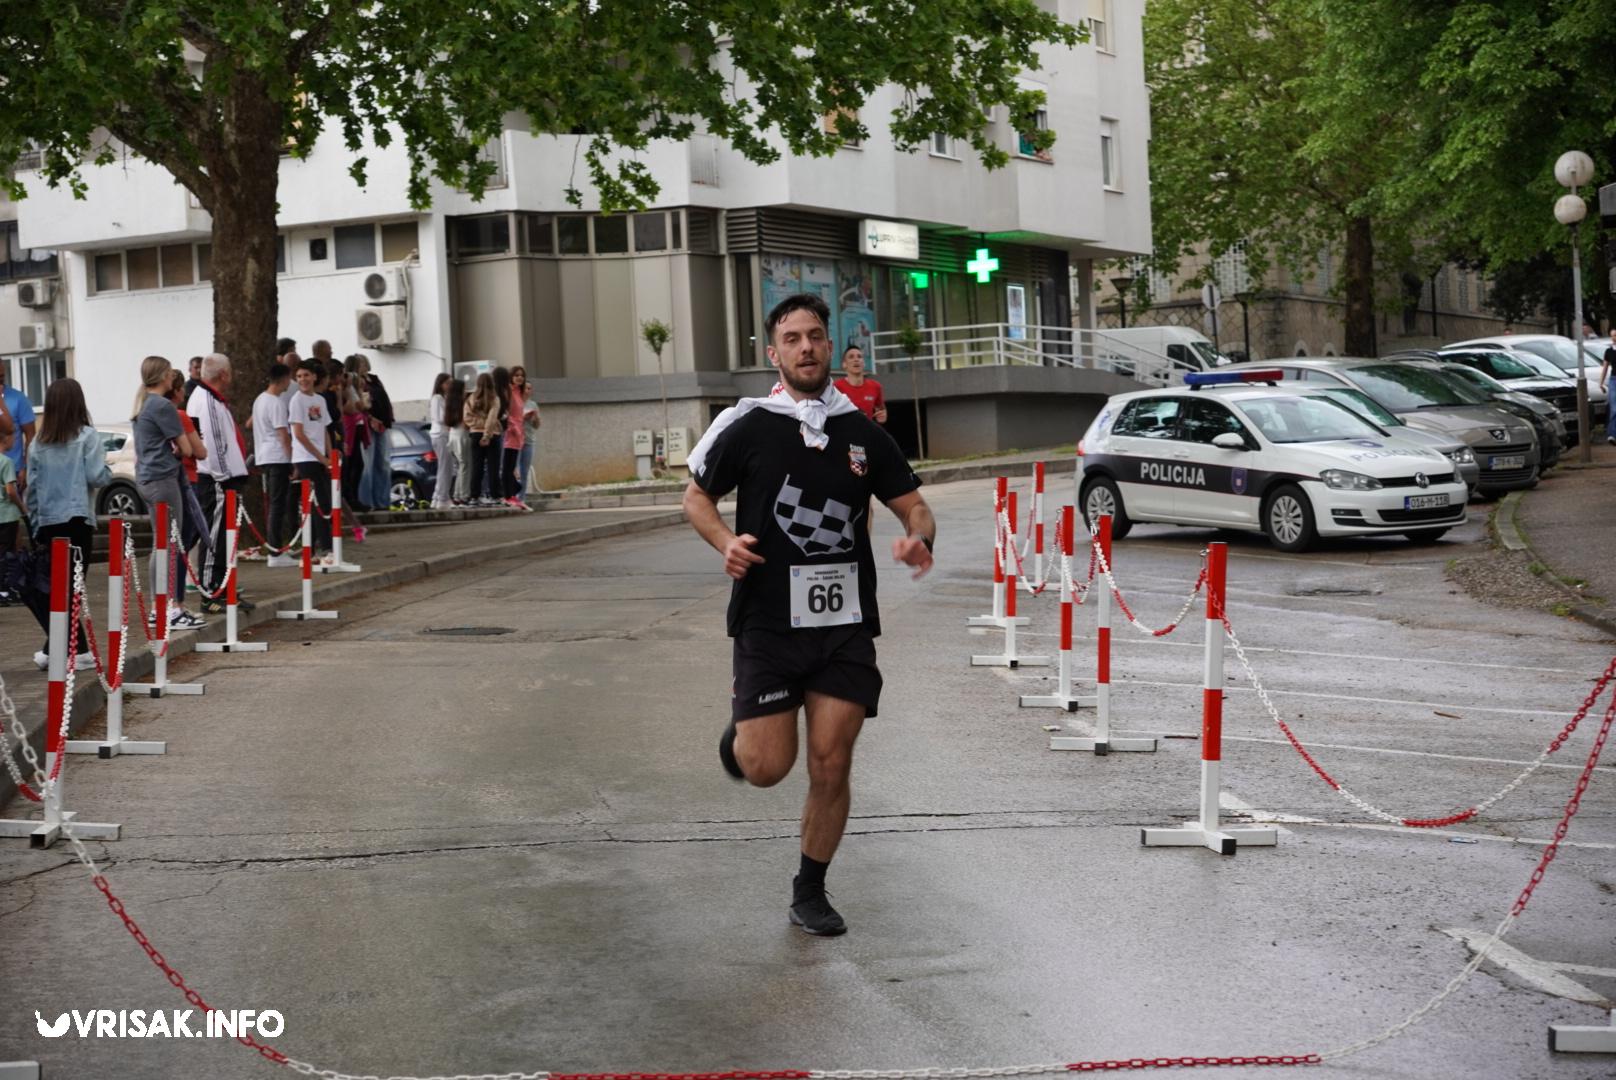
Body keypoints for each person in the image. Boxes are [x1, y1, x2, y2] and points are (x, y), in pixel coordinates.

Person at [682, 293, 935, 937]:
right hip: (768, 622)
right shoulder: (749, 424)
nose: (805, 347)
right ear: (774, 353)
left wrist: (918, 538)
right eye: (791, 338)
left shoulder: (862, 432)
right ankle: (745, 740)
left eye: (815, 336)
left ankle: (810, 889)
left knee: (832, 760)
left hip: (843, 625)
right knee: (769, 767)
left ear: (830, 346)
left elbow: (915, 506)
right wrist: (725, 542)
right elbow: (696, 496)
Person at [22, 378, 111, 671]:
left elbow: (32, 490)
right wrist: (107, 468)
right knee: (72, 587)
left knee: (57, 587)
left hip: (48, 522)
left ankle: (56, 650)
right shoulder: (87, 437)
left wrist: (35, 525)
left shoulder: (38, 443)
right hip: (76, 520)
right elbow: (98, 477)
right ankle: (75, 650)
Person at [187, 353, 253, 613]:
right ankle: (211, 592)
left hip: (219, 478)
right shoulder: (208, 401)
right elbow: (213, 444)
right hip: (216, 479)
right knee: (214, 537)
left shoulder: (210, 399)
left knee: (224, 537)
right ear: (224, 374)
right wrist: (224, 477)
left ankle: (222, 586)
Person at [162, 367, 212, 630]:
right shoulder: (180, 415)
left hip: (166, 481)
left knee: (173, 544)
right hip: (188, 481)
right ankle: (176, 604)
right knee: (182, 545)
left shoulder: (154, 413)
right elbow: (200, 451)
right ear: (178, 391)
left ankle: (170, 603)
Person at [288, 360, 334, 562]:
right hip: (306, 457)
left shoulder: (320, 400)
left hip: (320, 458)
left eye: (306, 375)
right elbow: (298, 434)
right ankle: (324, 547)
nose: (303, 380)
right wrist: (320, 457)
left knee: (321, 501)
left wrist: (330, 456)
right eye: (299, 376)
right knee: (319, 502)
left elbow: (323, 429)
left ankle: (315, 546)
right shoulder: (296, 401)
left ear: (314, 377)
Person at [253, 362, 297, 566]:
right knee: (278, 505)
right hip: (277, 457)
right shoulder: (276, 403)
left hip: (264, 455)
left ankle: (275, 549)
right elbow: (283, 435)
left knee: (275, 503)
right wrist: (292, 460)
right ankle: (275, 552)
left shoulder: (259, 400)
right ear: (284, 379)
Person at [0, 363, 36, 534]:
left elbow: (30, 436)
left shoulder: (18, 398)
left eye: (2, 377)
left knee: (12, 524)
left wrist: (25, 467)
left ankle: (11, 558)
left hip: (12, 472)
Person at [357, 356, 396, 510]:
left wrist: (389, 417)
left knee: (384, 463)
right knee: (369, 463)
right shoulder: (357, 381)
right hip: (369, 424)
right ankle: (368, 502)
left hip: (383, 423)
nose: (363, 365)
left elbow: (384, 398)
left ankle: (383, 501)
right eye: (359, 363)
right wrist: (371, 418)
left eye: (363, 362)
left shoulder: (374, 379)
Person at [464, 372, 502, 505]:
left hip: (475, 435)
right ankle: (495, 496)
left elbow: (467, 418)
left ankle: (474, 496)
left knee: (477, 466)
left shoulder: (471, 398)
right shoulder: (495, 398)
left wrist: (478, 426)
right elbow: (492, 419)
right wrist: (487, 434)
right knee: (493, 467)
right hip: (493, 435)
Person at [500, 366, 532, 509]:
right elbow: (507, 413)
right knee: (508, 467)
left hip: (518, 433)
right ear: (511, 376)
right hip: (510, 433)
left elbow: (518, 415)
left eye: (522, 375)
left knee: (511, 465)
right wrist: (514, 428)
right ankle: (508, 496)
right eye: (516, 375)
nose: (519, 377)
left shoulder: (519, 392)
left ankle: (512, 494)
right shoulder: (509, 391)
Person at [832, 345, 887, 425]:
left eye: (859, 357)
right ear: (844, 364)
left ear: (864, 363)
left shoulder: (875, 386)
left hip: (867, 434)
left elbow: (882, 411)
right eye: (851, 357)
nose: (856, 359)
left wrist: (883, 416)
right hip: (845, 434)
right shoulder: (836, 387)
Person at [0, 415, 22, 605]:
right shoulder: (6, 462)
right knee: (8, 552)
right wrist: (23, 508)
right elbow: (10, 491)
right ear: (5, 439)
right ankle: (6, 589)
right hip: (7, 514)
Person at [427, 373, 454, 509]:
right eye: (447, 383)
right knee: (445, 467)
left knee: (446, 467)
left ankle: (439, 497)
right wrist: (452, 419)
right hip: (440, 434)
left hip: (443, 434)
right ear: (440, 384)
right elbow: (439, 417)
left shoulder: (444, 398)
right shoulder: (437, 398)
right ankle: (442, 498)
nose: (449, 386)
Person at [516, 370, 540, 506]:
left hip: (529, 440)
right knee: (516, 470)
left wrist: (535, 418)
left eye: (530, 389)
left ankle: (522, 498)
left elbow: (537, 425)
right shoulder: (516, 402)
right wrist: (522, 417)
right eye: (526, 388)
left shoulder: (533, 405)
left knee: (525, 471)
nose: (528, 391)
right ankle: (513, 496)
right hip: (516, 440)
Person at [1602, 329, 1616, 445]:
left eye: (1615, 335)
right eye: (1612, 336)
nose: (1613, 338)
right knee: (1614, 407)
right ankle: (1612, 434)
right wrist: (1601, 382)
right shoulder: (1608, 351)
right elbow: (1605, 367)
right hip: (1614, 380)